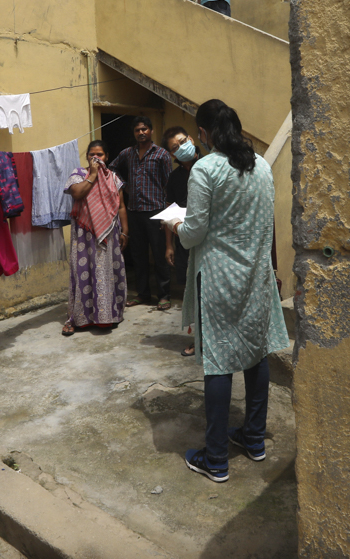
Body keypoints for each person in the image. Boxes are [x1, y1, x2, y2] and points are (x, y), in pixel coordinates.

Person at [163, 100, 289, 482]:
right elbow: (264, 224)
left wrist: (174, 225)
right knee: (256, 352)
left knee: (217, 361)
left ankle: (215, 457)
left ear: (204, 133)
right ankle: (254, 438)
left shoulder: (205, 168)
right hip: (256, 276)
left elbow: (194, 233)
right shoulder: (262, 166)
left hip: (218, 278)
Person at [62, 140, 130, 336]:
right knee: (84, 271)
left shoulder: (114, 178)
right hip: (85, 235)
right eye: (92, 154)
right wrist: (92, 175)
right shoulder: (78, 174)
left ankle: (107, 316)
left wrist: (125, 231)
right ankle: (82, 318)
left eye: (100, 155)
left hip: (109, 235)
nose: (96, 158)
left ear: (106, 157)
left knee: (106, 272)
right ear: (87, 157)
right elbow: (77, 193)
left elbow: (121, 206)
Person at [110, 117, 175, 310]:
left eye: (144, 129)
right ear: (134, 133)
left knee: (159, 254)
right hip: (134, 212)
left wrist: (167, 211)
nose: (141, 133)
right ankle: (143, 294)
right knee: (138, 256)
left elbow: (168, 184)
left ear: (151, 131)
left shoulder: (161, 154)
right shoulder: (127, 154)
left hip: (156, 211)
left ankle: (164, 295)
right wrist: (124, 186)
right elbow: (112, 168)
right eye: (137, 130)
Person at [163, 126, 201, 355]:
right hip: (185, 241)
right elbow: (170, 211)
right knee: (194, 290)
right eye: (175, 148)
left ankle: (215, 338)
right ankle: (199, 338)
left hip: (209, 240)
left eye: (182, 142)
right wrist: (169, 245)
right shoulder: (175, 178)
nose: (180, 148)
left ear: (192, 139)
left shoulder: (210, 166)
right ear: (172, 155)